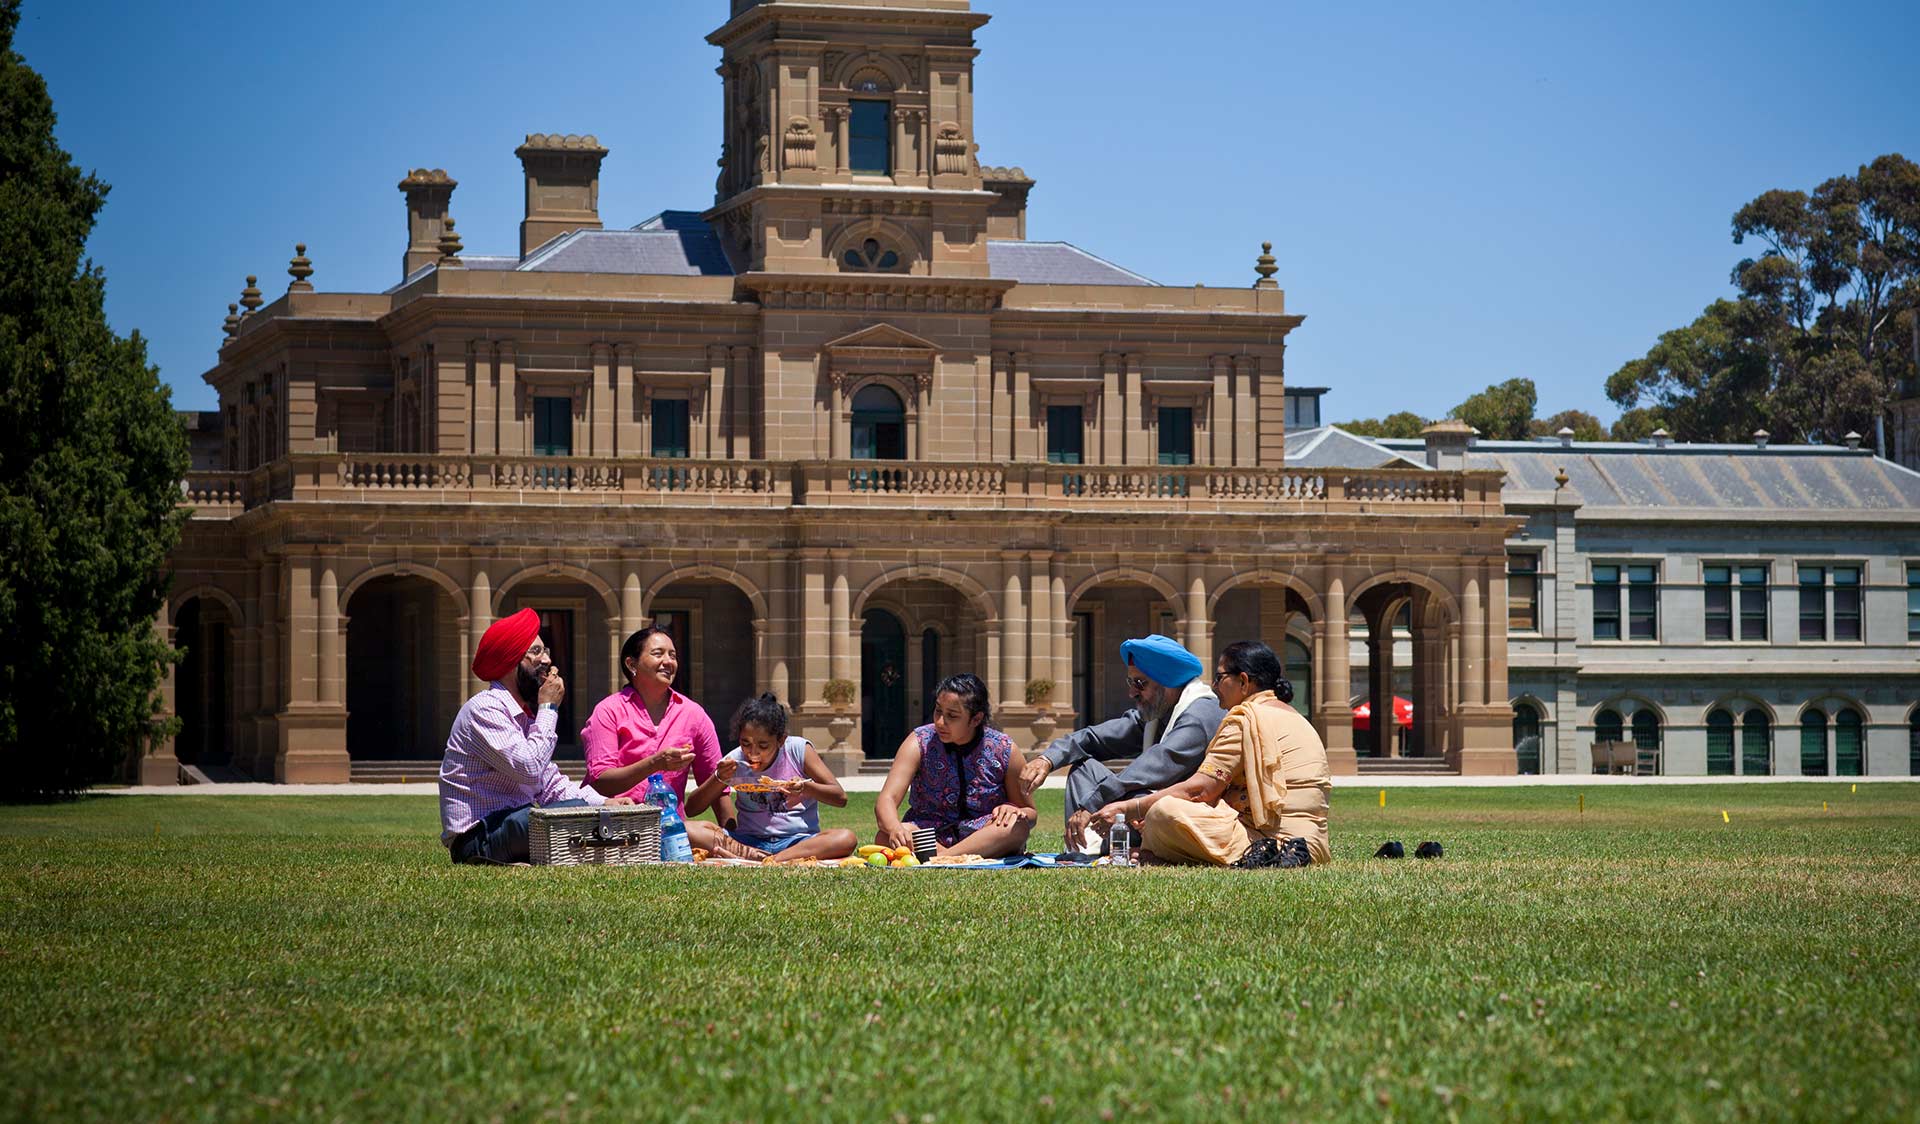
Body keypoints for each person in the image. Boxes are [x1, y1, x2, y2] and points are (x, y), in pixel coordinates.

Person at [1093, 640, 1331, 867]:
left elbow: (1200, 790)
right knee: (1166, 812)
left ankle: (1162, 854)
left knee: (1163, 812)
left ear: (1244, 681)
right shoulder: (1297, 718)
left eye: (1220, 678)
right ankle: (1164, 852)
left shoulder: (1244, 719)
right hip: (1313, 847)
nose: (1215, 687)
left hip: (1269, 846)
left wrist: (1128, 808)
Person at [439, 608, 635, 864]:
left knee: (576, 809)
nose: (547, 661)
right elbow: (529, 769)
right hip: (480, 838)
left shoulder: (522, 716)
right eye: (536, 652)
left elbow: (550, 784)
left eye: (546, 651)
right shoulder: (485, 708)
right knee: (560, 817)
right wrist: (549, 708)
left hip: (516, 825)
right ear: (511, 662)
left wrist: (604, 803)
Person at [1017, 634, 1225, 853]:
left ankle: (1110, 847)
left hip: (1184, 815)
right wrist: (1046, 759)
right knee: (1084, 769)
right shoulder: (1157, 713)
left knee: (1135, 799)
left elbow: (1154, 766)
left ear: (1168, 681)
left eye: (1140, 683)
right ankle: (1083, 849)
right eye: (1130, 682)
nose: (1132, 692)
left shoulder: (1199, 716)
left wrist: (1092, 804)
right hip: (1150, 811)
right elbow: (1093, 738)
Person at [582, 626, 761, 859]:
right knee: (694, 831)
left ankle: (749, 855)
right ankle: (760, 857)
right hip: (615, 826)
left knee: (706, 830)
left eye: (673, 655)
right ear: (632, 664)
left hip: (672, 831)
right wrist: (655, 763)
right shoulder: (608, 711)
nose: (668, 661)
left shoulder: (693, 714)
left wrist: (731, 833)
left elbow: (718, 785)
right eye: (658, 653)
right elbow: (601, 782)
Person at [875, 673, 1036, 857]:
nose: (940, 722)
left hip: (983, 833)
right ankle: (959, 857)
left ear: (976, 719)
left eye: (952, 716)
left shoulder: (1004, 749)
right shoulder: (919, 741)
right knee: (885, 835)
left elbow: (1030, 813)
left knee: (1018, 826)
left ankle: (944, 858)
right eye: (938, 711)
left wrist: (1014, 810)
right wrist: (896, 828)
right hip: (929, 834)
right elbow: (887, 799)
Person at [720, 693, 858, 864]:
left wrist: (806, 788)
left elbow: (840, 798)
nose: (753, 752)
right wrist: (719, 777)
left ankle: (774, 859)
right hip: (749, 841)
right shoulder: (734, 759)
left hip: (797, 842)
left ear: (781, 740)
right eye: (745, 743)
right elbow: (693, 808)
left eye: (763, 746)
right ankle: (755, 854)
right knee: (688, 830)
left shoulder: (798, 750)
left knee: (846, 838)